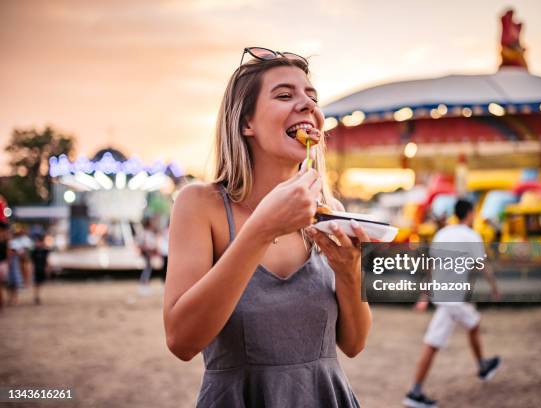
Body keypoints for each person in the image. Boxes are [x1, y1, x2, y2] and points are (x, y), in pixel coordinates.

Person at [163, 47, 371, 407]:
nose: (308, 105)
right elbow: (181, 341)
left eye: (312, 97)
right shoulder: (199, 205)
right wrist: (261, 230)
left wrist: (349, 269)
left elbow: (353, 344)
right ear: (247, 123)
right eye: (285, 95)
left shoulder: (328, 211)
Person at [404, 199, 501, 408]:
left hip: (444, 296)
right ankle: (415, 392)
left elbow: (431, 266)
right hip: (452, 300)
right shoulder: (470, 236)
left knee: (474, 324)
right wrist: (494, 287)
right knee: (432, 344)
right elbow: (482, 266)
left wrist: (425, 293)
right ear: (470, 213)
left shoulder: (442, 234)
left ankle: (483, 365)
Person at [137, 218, 158, 296]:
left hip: (147, 252)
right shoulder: (146, 233)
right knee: (147, 269)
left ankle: (145, 284)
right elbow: (145, 244)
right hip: (147, 252)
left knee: (148, 268)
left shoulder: (146, 233)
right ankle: (144, 284)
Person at [30, 233, 50, 305]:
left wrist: (47, 268)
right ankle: (36, 296)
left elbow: (47, 260)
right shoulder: (34, 251)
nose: (37, 243)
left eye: (38, 242)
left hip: (41, 268)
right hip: (36, 268)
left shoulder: (45, 251)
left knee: (39, 283)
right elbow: (32, 261)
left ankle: (37, 295)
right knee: (36, 283)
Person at [0, 221, 9, 310]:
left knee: (2, 284)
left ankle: (2, 301)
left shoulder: (6, 240)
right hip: (3, 263)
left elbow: (8, 253)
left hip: (3, 263)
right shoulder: (6, 239)